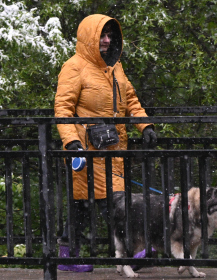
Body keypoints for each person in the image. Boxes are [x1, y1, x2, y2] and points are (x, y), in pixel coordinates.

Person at [54, 14, 158, 272]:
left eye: (110, 36)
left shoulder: (115, 67)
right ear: (90, 37)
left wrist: (145, 125)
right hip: (88, 150)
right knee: (114, 201)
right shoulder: (74, 67)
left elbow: (130, 99)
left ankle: (68, 252)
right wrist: (71, 143)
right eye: (102, 35)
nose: (107, 40)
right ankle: (134, 251)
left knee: (83, 202)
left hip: (115, 149)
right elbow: (63, 108)